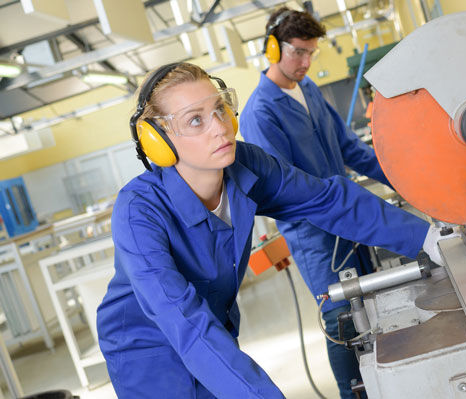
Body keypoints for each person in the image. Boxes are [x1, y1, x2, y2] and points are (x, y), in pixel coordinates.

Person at [96, 62, 439, 398]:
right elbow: (181, 319)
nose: (219, 128)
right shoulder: (138, 212)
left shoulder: (246, 164)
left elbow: (327, 200)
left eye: (219, 109)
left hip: (213, 334)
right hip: (151, 356)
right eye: (195, 120)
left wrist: (429, 240)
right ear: (157, 139)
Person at [239, 8, 392, 397]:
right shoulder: (261, 112)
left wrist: (399, 178)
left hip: (350, 221)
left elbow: (348, 147)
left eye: (312, 53)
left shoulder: (308, 91)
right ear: (273, 48)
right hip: (316, 238)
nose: (307, 62)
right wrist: (344, 207)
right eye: (298, 52)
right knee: (341, 319)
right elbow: (284, 187)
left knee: (370, 308)